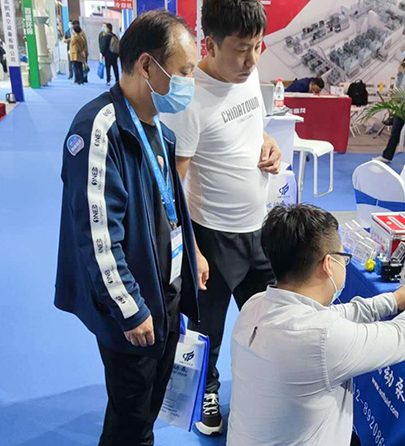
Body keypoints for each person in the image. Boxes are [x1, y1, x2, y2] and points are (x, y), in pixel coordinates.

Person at [55, 10, 200, 446]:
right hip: (134, 304)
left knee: (148, 404)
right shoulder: (99, 129)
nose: (190, 82)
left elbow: (168, 208)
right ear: (147, 66)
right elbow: (97, 233)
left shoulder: (157, 128)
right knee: (130, 418)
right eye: (184, 72)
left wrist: (191, 256)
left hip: (165, 290)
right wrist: (129, 307)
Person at [228, 204, 405, 446]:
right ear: (328, 264)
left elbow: (334, 314)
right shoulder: (321, 339)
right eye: (343, 257)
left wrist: (391, 300)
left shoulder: (255, 305)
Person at [160, 0, 281, 435]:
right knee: (206, 329)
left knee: (270, 320)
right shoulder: (189, 101)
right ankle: (206, 392)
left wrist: (268, 144)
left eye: (258, 46)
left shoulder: (246, 78)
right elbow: (172, 188)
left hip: (259, 229)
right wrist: (190, 250)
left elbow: (249, 127)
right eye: (241, 49)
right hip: (212, 237)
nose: (252, 60)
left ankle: (262, 385)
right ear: (209, 45)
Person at [374, 38, 405, 164]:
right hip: (402, 102)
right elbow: (401, 83)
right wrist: (400, 74)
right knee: (395, 131)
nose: (404, 51)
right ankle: (387, 156)